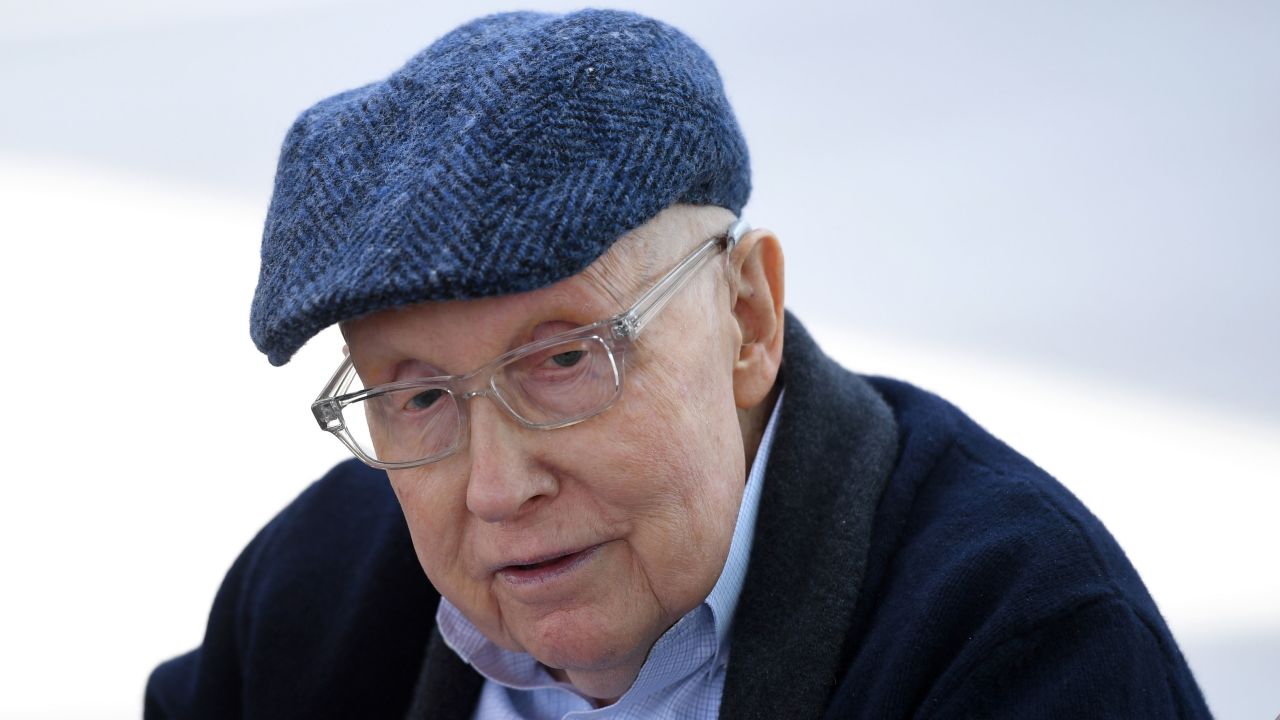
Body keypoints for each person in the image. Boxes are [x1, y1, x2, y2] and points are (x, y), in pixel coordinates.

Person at [146, 9, 1211, 719]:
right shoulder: (307, 599)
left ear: (747, 317)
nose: (496, 486)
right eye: (419, 396)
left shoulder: (1020, 644)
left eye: (562, 360)